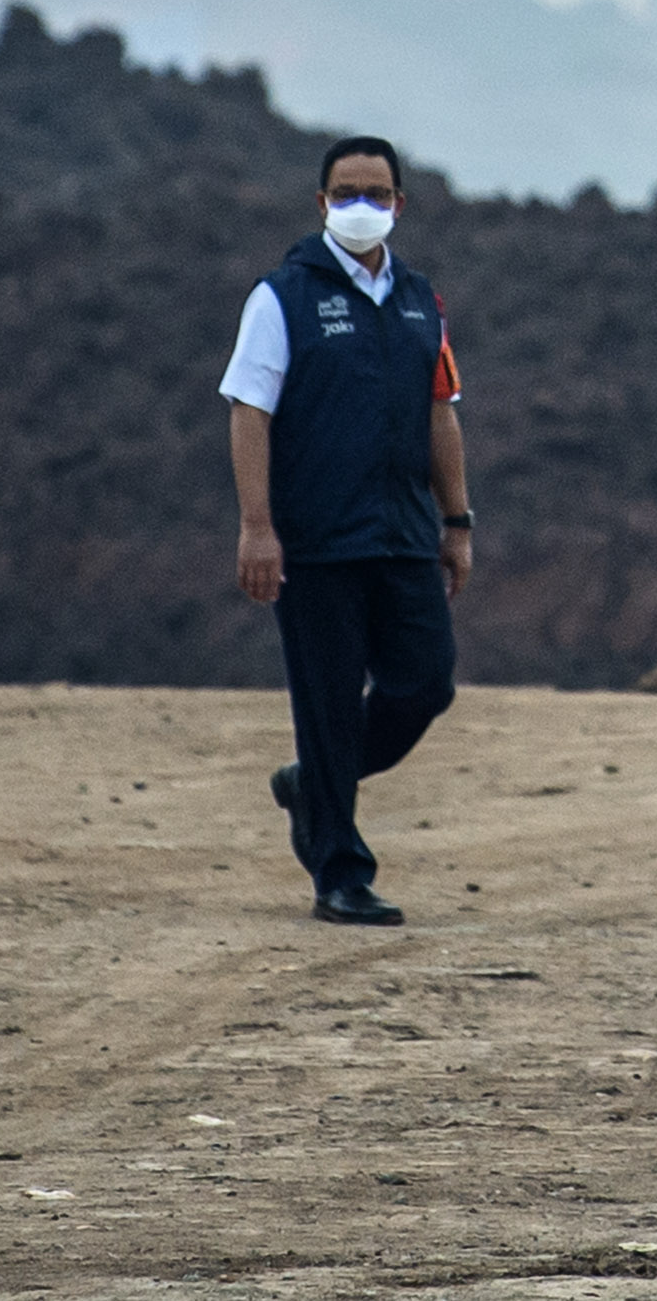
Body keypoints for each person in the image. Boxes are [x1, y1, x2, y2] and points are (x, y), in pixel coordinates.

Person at [220, 134, 471, 926]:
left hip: (402, 533)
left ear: (400, 203)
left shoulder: (419, 301)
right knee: (325, 704)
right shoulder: (281, 296)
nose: (362, 204)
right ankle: (340, 871)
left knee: (426, 682)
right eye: (345, 191)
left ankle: (311, 782)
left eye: (377, 192)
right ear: (321, 202)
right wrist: (257, 527)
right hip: (317, 540)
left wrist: (457, 519)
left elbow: (442, 414)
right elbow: (248, 412)